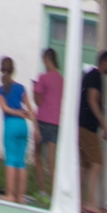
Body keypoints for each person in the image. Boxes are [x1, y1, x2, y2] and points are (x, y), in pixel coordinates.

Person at [79, 50, 107, 213]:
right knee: (97, 163)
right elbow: (92, 100)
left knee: (85, 165)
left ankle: (79, 201)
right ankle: (90, 202)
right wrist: (104, 126)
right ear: (105, 62)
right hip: (87, 127)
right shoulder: (95, 77)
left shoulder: (91, 75)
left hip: (83, 125)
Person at [0, 56, 35, 204]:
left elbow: (4, 107)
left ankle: (10, 194)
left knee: (10, 159)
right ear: (14, 70)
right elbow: (30, 110)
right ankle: (21, 196)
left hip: (10, 124)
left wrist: (16, 112)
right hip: (23, 126)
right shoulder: (21, 88)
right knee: (21, 161)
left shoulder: (0, 89)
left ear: (1, 70)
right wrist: (27, 117)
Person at [30, 47, 64, 197]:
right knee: (51, 159)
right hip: (56, 121)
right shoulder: (61, 79)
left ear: (46, 60)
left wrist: (34, 88)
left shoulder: (43, 77)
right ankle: (56, 193)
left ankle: (42, 190)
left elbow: (37, 101)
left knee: (37, 155)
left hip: (43, 119)